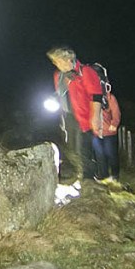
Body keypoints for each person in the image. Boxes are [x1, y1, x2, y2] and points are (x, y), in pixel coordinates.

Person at [47, 46, 103, 182]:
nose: (55, 64)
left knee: (83, 149)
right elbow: (61, 93)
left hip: (85, 118)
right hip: (68, 117)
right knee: (71, 148)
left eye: (58, 61)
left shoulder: (85, 72)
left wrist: (95, 117)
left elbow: (96, 95)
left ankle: (89, 180)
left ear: (68, 59)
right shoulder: (58, 75)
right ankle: (77, 176)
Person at [92, 91, 122, 182]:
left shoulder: (109, 97)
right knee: (99, 154)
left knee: (111, 154)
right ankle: (103, 175)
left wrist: (114, 124)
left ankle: (115, 175)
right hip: (95, 131)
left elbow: (116, 112)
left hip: (108, 131)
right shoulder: (90, 96)